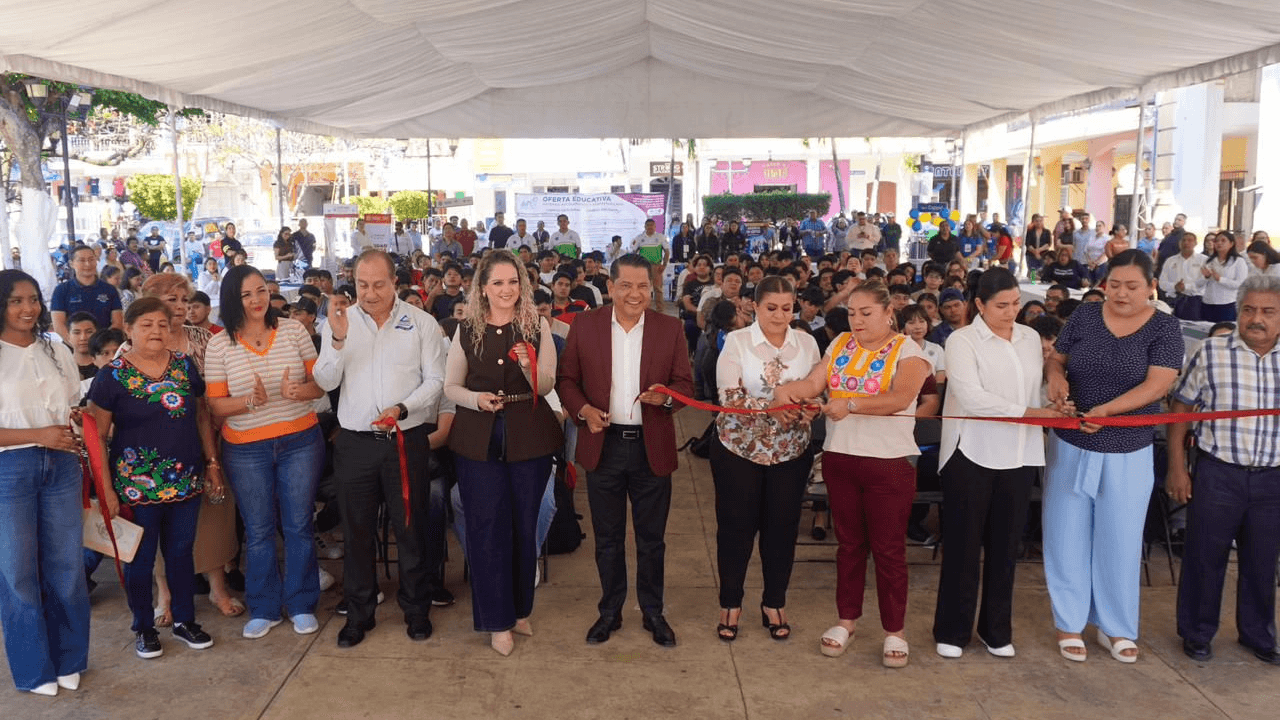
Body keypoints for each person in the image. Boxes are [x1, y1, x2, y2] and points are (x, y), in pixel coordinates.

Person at [774, 280, 930, 668]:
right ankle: (847, 620)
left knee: (889, 550)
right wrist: (790, 391)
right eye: (852, 313)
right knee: (849, 546)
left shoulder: (908, 351)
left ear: (889, 312)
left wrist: (851, 404)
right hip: (841, 458)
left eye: (866, 313)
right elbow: (815, 382)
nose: (857, 321)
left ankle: (895, 630)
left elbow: (901, 397)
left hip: (889, 463)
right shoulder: (841, 343)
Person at [1043, 249, 1183, 663]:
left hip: (1128, 449)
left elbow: (1157, 385)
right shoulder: (1085, 316)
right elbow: (1057, 359)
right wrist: (1056, 379)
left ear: (1151, 287)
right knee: (1065, 534)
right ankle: (1068, 622)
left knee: (1120, 538)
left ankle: (1115, 626)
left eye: (1132, 286)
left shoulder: (1165, 327)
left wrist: (1107, 412)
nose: (1121, 293)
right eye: (1115, 285)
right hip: (1072, 442)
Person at [556, 254, 694, 647]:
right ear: (610, 287)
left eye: (643, 286)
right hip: (604, 444)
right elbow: (567, 380)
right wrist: (583, 410)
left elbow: (685, 385)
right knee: (608, 538)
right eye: (627, 286)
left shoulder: (669, 329)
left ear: (652, 288)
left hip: (652, 447)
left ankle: (653, 612)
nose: (635, 294)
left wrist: (666, 398)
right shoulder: (586, 326)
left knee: (652, 539)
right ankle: (609, 612)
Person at [314, 250, 449, 648]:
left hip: (404, 440)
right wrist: (338, 338)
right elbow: (325, 380)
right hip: (355, 444)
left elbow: (436, 380)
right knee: (356, 532)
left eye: (378, 285)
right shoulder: (339, 322)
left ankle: (416, 609)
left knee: (410, 528)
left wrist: (402, 408)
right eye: (362, 285)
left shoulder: (421, 323)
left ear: (395, 283)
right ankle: (359, 613)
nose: (370, 294)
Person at [932, 268, 1061, 660]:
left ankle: (996, 630)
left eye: (1016, 303)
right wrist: (1034, 414)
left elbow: (1033, 388)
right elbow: (972, 397)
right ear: (980, 305)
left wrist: (1054, 402)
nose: (1011, 312)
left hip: (1018, 454)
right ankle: (952, 631)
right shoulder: (961, 340)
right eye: (1002, 305)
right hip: (970, 452)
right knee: (963, 546)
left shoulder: (1028, 338)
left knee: (1006, 547)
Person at [86, 297, 223, 660]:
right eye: (146, 325)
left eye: (162, 324)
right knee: (140, 560)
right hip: (135, 487)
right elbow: (96, 436)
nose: (156, 331)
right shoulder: (111, 375)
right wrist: (106, 489)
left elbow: (201, 416)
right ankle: (143, 628)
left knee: (181, 554)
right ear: (129, 330)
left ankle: (185, 621)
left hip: (185, 481)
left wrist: (212, 463)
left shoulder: (183, 365)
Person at [442, 252, 561, 656]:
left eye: (513, 282)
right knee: (487, 529)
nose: (506, 290)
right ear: (483, 288)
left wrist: (529, 367)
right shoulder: (466, 330)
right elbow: (450, 386)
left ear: (523, 285)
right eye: (497, 283)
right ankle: (496, 621)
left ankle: (520, 610)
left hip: (530, 436)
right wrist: (476, 400)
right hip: (477, 438)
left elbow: (546, 385)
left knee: (524, 525)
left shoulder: (537, 326)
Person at [205, 265, 327, 640]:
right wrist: (247, 401)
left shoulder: (293, 330)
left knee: (298, 525)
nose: (257, 300)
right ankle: (264, 607)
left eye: (260, 290)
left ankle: (302, 603)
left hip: (300, 441)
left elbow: (319, 384)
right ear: (232, 300)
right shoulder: (219, 344)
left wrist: (299, 392)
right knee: (258, 531)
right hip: (246, 449)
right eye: (246, 295)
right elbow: (215, 405)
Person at [1167, 274, 1280, 665]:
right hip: (1219, 473)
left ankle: (1258, 634)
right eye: (1249, 310)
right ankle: (1197, 632)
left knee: (1263, 561)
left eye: (1268, 311)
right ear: (1238, 311)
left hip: (1273, 478)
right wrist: (1177, 468)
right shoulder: (1211, 351)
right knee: (1204, 557)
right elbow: (1180, 409)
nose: (1256, 319)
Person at [710, 277, 820, 642]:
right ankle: (730, 603)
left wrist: (808, 409)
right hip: (739, 450)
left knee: (782, 529)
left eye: (787, 308)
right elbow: (729, 397)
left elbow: (818, 390)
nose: (779, 315)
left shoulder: (806, 343)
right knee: (736, 528)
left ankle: (775, 602)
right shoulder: (737, 341)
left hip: (791, 452)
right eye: (771, 308)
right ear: (754, 307)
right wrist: (772, 407)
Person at [0, 269, 91, 696]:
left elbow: (72, 402)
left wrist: (74, 422)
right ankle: (34, 670)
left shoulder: (55, 348)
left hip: (62, 464)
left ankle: (69, 658)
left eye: (33, 299)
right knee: (17, 571)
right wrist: (39, 434)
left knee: (67, 566)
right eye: (16, 301)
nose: (28, 308)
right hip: (9, 470)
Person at [51, 245, 123, 342]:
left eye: (91, 259)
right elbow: (59, 325)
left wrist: (100, 346)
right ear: (71, 264)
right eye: (82, 260)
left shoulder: (109, 290)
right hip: (73, 347)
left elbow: (117, 322)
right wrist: (77, 345)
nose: (88, 264)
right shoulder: (61, 290)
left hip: (103, 346)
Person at [1200, 231, 1249, 322]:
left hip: (1227, 304)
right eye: (1217, 241)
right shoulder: (1208, 261)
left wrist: (1220, 279)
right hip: (1208, 302)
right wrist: (1206, 277)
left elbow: (1241, 284)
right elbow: (1198, 284)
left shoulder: (1238, 261)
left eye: (1223, 241)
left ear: (1231, 244)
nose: (1219, 243)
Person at [1159, 232, 1207, 321]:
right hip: (1173, 300)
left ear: (1195, 243)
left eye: (1189, 240)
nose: (1186, 243)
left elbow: (1205, 282)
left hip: (1195, 301)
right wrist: (1175, 286)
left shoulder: (1203, 260)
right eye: (1183, 240)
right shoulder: (1170, 261)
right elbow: (1162, 282)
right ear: (1179, 243)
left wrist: (1186, 287)